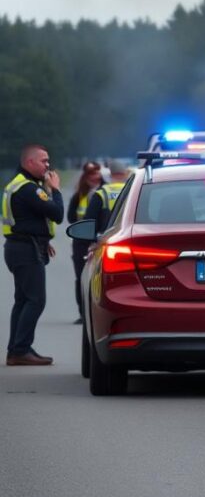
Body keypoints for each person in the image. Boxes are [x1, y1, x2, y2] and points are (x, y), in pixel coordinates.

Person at [2, 144, 63, 366]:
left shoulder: (19, 185)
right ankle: (20, 349)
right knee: (36, 300)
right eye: (43, 161)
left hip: (21, 246)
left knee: (23, 300)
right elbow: (56, 214)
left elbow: (29, 219)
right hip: (25, 250)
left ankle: (16, 349)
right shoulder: (29, 188)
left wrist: (42, 240)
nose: (48, 165)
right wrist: (55, 190)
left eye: (48, 161)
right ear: (29, 163)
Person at [67, 161, 102, 325]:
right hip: (81, 241)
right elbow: (70, 218)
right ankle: (83, 313)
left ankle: (98, 313)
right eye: (90, 174)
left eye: (96, 173)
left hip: (99, 240)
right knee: (81, 278)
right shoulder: (79, 195)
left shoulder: (104, 192)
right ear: (85, 176)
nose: (93, 177)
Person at [84, 161, 130, 235]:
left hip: (106, 239)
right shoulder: (133, 191)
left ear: (110, 174)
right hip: (128, 237)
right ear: (125, 174)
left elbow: (89, 224)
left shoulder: (101, 193)